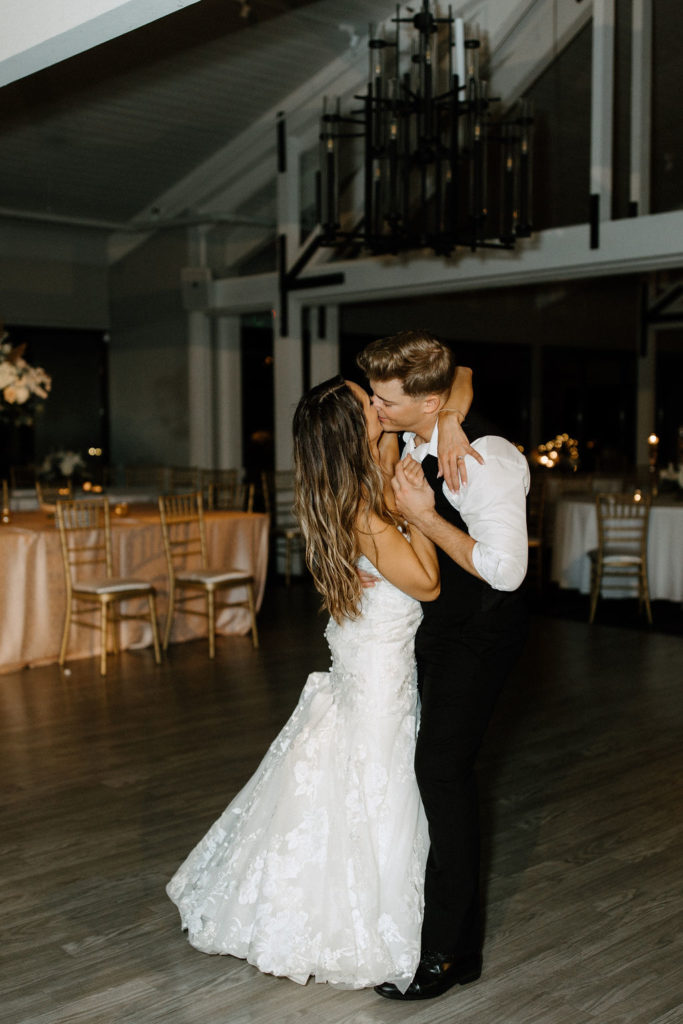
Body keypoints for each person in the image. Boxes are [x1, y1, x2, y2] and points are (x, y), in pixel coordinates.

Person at [166, 371, 471, 991]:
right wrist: (419, 514)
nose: (379, 405)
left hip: (369, 651)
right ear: (350, 427)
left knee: (363, 770)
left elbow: (457, 378)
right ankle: (374, 921)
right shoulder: (361, 505)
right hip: (379, 664)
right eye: (368, 403)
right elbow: (429, 584)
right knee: (381, 779)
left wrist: (454, 419)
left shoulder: (353, 477)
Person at [356, 330, 529, 1001]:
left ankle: (451, 954)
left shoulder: (486, 459)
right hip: (441, 626)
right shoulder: (428, 428)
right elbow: (462, 372)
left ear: (427, 402)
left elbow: (505, 572)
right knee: (431, 769)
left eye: (385, 400)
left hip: (482, 633)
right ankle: (439, 934)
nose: (375, 408)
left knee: (442, 772)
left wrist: (424, 520)